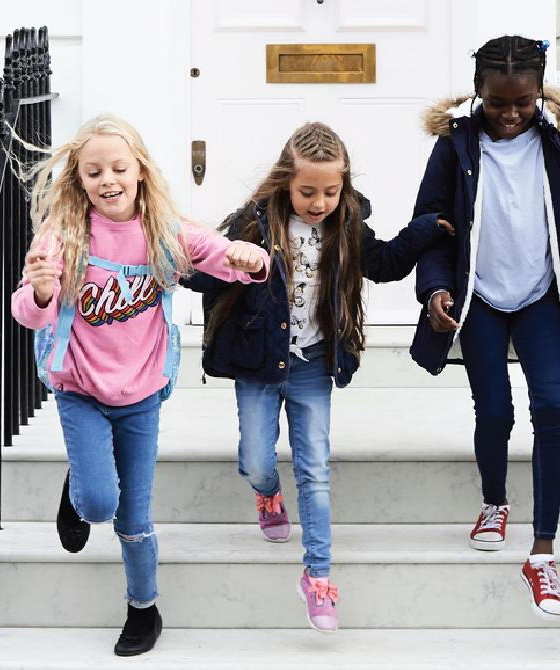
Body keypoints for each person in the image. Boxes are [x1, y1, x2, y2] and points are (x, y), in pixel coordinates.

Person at [11, 114, 269, 656]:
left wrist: (252, 258)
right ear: (78, 180)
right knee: (100, 503)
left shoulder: (163, 231)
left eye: (118, 168)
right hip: (79, 385)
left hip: (141, 393)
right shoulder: (63, 236)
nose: (108, 179)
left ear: (141, 172)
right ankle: (82, 485)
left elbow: (223, 258)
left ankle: (143, 610)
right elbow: (31, 316)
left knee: (133, 516)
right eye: (93, 171)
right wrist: (37, 292)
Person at [184, 121, 450, 633]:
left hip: (312, 364)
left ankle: (320, 577)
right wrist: (187, 260)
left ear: (344, 187)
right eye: (308, 191)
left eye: (331, 191)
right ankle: (266, 491)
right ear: (286, 182)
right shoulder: (255, 222)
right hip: (259, 365)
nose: (319, 201)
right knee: (257, 459)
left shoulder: (347, 225)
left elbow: (386, 264)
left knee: (315, 472)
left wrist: (424, 231)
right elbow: (207, 269)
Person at [409, 35, 560, 622]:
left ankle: (544, 549)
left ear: (538, 93)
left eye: (522, 103)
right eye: (498, 102)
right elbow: (430, 225)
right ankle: (494, 503)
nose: (509, 114)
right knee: (495, 412)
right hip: (480, 296)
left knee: (552, 406)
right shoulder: (454, 147)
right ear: (479, 92)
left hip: (542, 296)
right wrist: (436, 289)